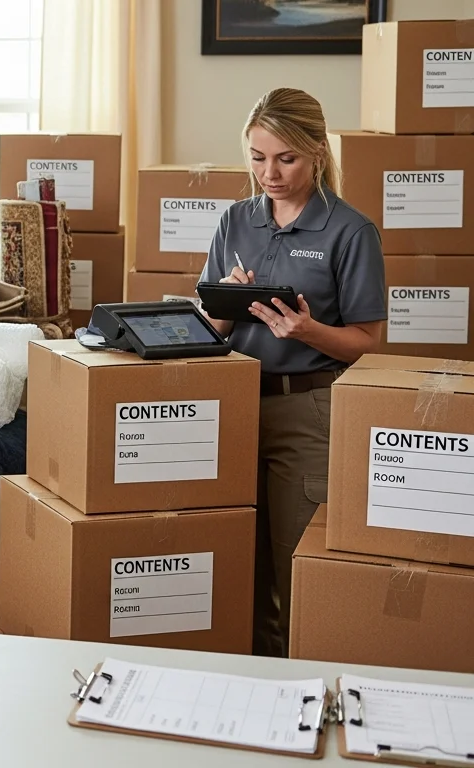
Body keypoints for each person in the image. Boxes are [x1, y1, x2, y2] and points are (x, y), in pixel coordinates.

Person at [198, 87, 386, 657]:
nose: (269, 174)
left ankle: (299, 686)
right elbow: (212, 329)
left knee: (296, 563)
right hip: (233, 407)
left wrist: (308, 330)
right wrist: (221, 303)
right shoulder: (235, 220)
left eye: (286, 159)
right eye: (258, 158)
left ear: (317, 153)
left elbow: (368, 342)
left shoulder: (350, 231)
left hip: (308, 411)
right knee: (236, 560)